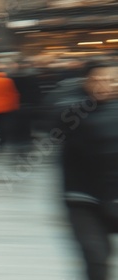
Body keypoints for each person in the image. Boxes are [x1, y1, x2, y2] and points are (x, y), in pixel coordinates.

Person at [52, 60, 118, 280]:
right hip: (82, 198)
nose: (105, 85)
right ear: (86, 82)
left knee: (103, 252)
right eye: (98, 80)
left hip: (113, 196)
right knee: (95, 254)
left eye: (111, 80)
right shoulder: (73, 112)